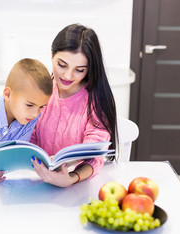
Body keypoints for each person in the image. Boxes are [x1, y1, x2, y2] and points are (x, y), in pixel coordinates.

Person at [30, 24, 118, 187]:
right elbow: (29, 135)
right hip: (37, 181)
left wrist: (71, 178)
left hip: (78, 186)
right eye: (62, 65)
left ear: (89, 68)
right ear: (52, 55)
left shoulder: (96, 99)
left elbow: (94, 157)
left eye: (79, 70)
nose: (68, 76)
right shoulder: (42, 87)